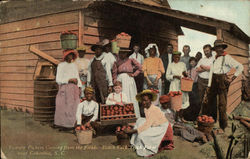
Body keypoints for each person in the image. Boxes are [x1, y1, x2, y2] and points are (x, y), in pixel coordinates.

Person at [205, 40, 243, 133]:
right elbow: (211, 72)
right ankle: (211, 122)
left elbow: (240, 67)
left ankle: (223, 126)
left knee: (222, 104)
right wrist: (209, 85)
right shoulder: (215, 58)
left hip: (222, 81)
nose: (218, 49)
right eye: (216, 48)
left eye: (220, 47)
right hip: (214, 81)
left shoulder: (227, 57)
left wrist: (232, 78)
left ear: (222, 48)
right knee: (210, 102)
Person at [125, 90, 174, 157]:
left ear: (150, 100)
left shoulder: (154, 109)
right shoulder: (146, 108)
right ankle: (133, 142)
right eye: (142, 100)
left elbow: (147, 125)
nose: (143, 102)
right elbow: (148, 121)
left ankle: (144, 145)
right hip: (154, 124)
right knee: (139, 120)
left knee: (141, 135)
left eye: (145, 100)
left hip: (162, 128)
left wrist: (132, 131)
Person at [54, 50, 82, 131]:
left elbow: (77, 77)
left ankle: (71, 124)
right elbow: (58, 79)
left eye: (72, 55)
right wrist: (69, 80)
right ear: (65, 56)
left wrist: (79, 87)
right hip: (65, 87)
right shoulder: (61, 65)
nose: (70, 57)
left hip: (74, 88)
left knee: (74, 106)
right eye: (69, 55)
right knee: (64, 106)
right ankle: (63, 124)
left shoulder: (74, 65)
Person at [112, 49, 142, 118]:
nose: (123, 55)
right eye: (121, 53)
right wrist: (115, 82)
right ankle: (122, 115)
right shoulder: (117, 62)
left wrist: (134, 74)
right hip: (120, 80)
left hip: (129, 79)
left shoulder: (131, 60)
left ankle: (133, 114)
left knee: (130, 95)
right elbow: (114, 73)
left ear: (127, 54)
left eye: (124, 53)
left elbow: (140, 67)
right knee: (121, 96)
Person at [166, 51, 189, 122]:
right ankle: (175, 118)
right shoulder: (171, 65)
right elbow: (167, 76)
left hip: (182, 85)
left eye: (178, 57)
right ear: (173, 57)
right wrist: (174, 76)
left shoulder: (183, 64)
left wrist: (185, 74)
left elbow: (186, 74)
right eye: (175, 57)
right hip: (174, 85)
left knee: (183, 101)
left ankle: (181, 117)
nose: (177, 58)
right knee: (175, 101)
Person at [196, 44, 215, 115]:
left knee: (208, 99)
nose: (206, 52)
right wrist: (207, 68)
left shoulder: (214, 59)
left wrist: (203, 67)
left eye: (207, 51)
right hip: (201, 81)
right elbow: (197, 69)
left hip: (209, 81)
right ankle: (200, 115)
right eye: (204, 51)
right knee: (200, 99)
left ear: (211, 50)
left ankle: (207, 115)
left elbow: (213, 69)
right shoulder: (202, 59)